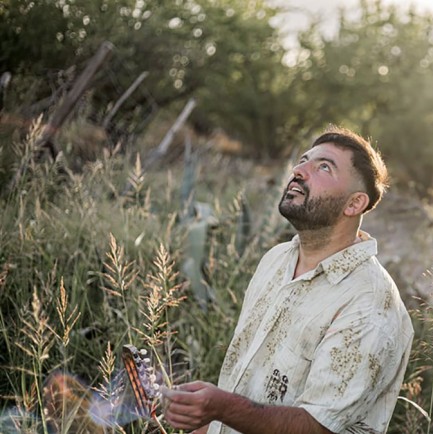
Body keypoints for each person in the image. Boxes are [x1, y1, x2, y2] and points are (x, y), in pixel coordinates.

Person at [161, 126, 414, 434]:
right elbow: (246, 398)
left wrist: (222, 407)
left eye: (324, 167)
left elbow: (317, 427)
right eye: (303, 160)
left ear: (353, 204)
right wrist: (202, 420)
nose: (298, 171)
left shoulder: (370, 303)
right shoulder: (277, 259)